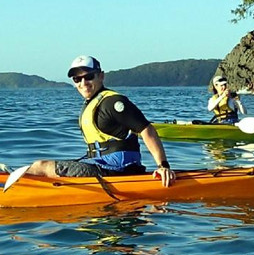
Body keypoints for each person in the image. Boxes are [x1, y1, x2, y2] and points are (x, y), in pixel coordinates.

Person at [26, 56, 176, 187]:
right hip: (99, 166)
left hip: (118, 170)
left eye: (89, 76)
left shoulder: (114, 102)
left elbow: (146, 129)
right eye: (77, 79)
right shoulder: (92, 103)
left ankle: (10, 191)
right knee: (37, 168)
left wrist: (162, 165)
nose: (83, 83)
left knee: (41, 167)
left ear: (101, 76)